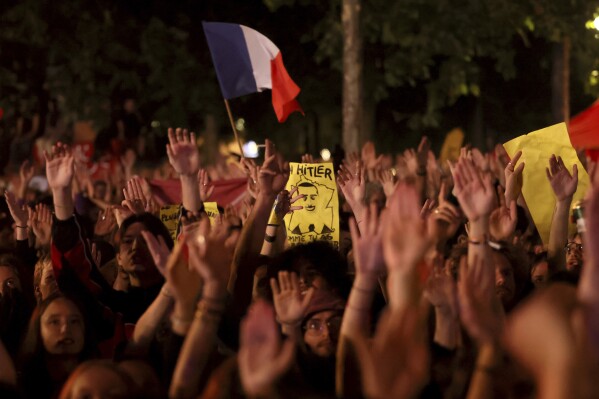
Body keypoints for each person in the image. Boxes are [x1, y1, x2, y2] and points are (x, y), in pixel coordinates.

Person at [18, 293, 98, 399]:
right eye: (54, 322)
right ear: (38, 330)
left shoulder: (100, 384)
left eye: (74, 321)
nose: (65, 329)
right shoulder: (20, 387)